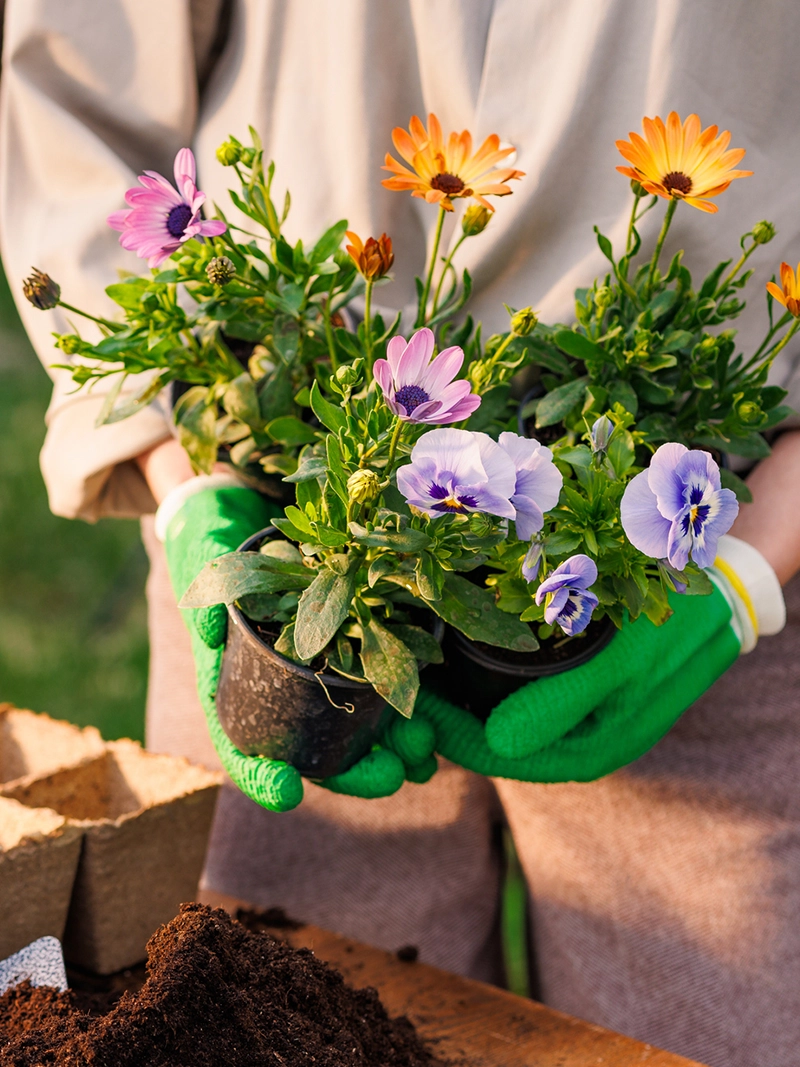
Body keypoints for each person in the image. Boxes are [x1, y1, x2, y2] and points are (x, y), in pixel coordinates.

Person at [3, 3, 800, 1064]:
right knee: (267, 1016)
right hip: (284, 519)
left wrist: (753, 564)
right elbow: (77, 86)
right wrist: (186, 476)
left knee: (711, 1034)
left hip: (696, 544)